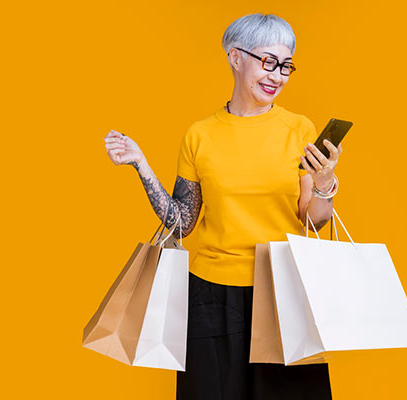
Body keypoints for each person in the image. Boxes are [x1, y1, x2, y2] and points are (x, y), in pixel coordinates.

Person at [104, 13, 342, 400]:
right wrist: (141, 165)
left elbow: (311, 218)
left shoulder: (299, 129)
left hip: (283, 292)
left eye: (285, 66)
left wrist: (324, 183)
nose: (276, 76)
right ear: (235, 57)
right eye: (268, 62)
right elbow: (182, 223)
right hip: (210, 296)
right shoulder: (200, 135)